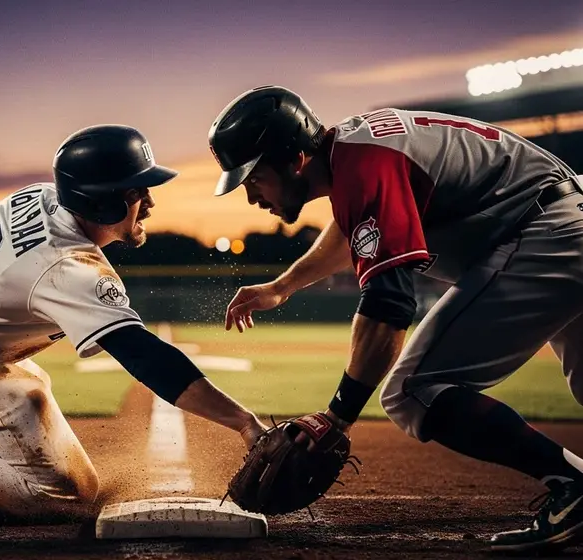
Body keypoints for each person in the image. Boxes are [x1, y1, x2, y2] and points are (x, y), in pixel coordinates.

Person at [208, 85, 583, 553]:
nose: (251, 197)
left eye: (254, 179)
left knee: (413, 391)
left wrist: (337, 417)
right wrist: (283, 287)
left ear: (293, 159)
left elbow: (388, 308)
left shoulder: (363, 165)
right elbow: (350, 231)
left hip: (544, 232)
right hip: (563, 220)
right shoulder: (355, 155)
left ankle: (574, 487)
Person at [0, 124, 266, 516]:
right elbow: (146, 357)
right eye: (137, 191)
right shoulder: (66, 267)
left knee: (29, 387)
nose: (149, 201)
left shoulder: (46, 195)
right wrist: (246, 423)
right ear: (100, 201)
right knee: (65, 488)